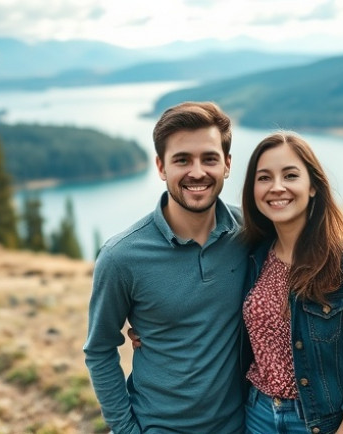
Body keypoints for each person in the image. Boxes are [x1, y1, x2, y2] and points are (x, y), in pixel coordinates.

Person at [84, 101, 247, 434]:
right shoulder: (121, 257)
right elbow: (100, 349)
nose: (197, 172)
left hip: (243, 426)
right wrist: (126, 430)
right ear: (160, 166)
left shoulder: (253, 234)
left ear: (227, 165)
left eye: (210, 158)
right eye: (182, 160)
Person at [240, 131, 343, 434]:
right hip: (255, 415)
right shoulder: (251, 256)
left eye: (290, 175)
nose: (277, 187)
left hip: (318, 423)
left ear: (313, 186)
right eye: (264, 178)